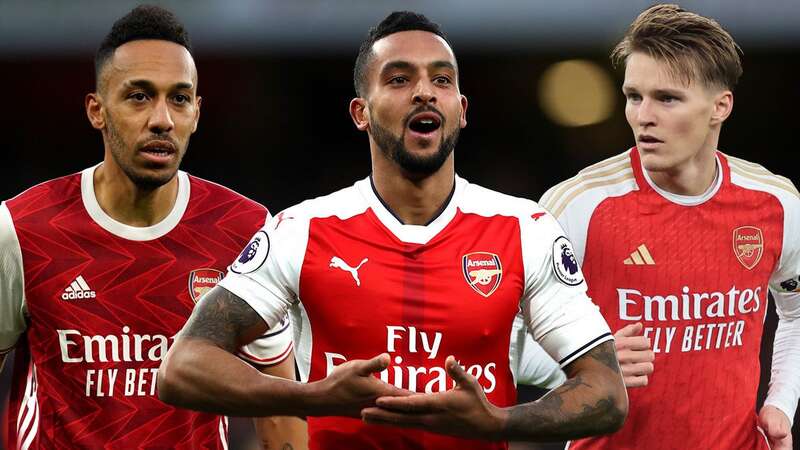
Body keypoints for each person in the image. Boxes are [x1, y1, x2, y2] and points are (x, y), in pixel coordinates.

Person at [158, 11, 627, 450]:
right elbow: (183, 368)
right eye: (399, 79)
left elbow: (607, 392)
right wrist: (313, 397)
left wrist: (500, 422)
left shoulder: (524, 230)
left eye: (441, 79)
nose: (424, 92)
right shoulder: (301, 231)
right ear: (361, 113)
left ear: (460, 109)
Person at [0, 5, 304, 449]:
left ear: (196, 113)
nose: (161, 119)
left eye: (178, 98)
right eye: (139, 96)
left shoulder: (243, 230)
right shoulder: (24, 229)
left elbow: (278, 402)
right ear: (97, 110)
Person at [533, 4, 799, 449]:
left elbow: (795, 311)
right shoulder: (578, 205)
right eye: (634, 96)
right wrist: (582, 359)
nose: (642, 116)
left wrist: (781, 404)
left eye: (667, 98)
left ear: (720, 107)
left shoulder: (775, 204)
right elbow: (502, 331)